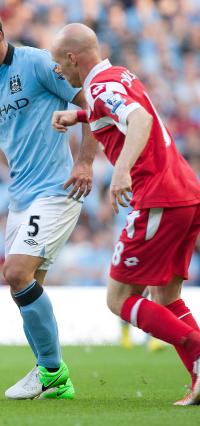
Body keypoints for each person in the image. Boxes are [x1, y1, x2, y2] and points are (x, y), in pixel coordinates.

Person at [0, 6, 98, 400]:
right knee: (24, 289)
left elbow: (94, 104)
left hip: (57, 189)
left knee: (15, 272)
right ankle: (52, 377)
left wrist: (85, 162)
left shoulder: (39, 64)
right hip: (20, 197)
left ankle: (53, 372)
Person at [50, 23, 200, 406]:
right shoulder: (118, 76)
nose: (56, 71)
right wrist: (82, 118)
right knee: (166, 297)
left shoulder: (100, 87)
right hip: (186, 191)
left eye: (57, 62)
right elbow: (124, 110)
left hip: (157, 196)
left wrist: (119, 171)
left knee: (119, 298)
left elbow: (141, 121)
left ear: (72, 58)